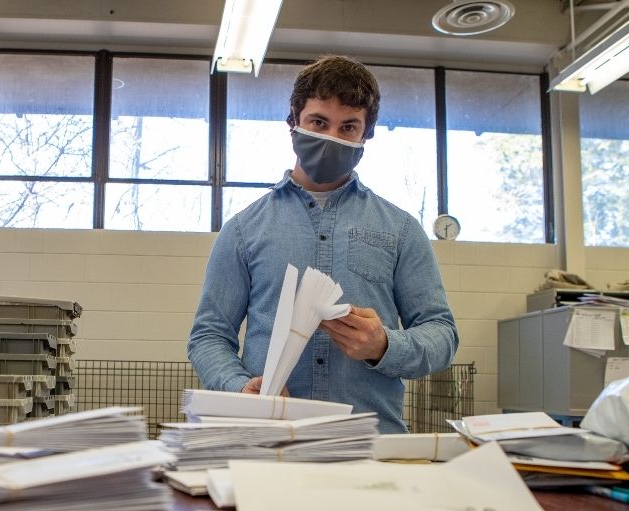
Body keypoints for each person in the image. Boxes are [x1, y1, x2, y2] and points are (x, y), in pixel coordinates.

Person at [187, 55, 458, 434]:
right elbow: (209, 335)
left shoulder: (401, 230)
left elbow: (442, 332)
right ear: (293, 122)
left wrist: (384, 346)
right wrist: (238, 386)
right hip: (269, 440)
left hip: (370, 443)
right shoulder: (243, 230)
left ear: (366, 134)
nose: (331, 137)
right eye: (318, 122)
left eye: (348, 127)